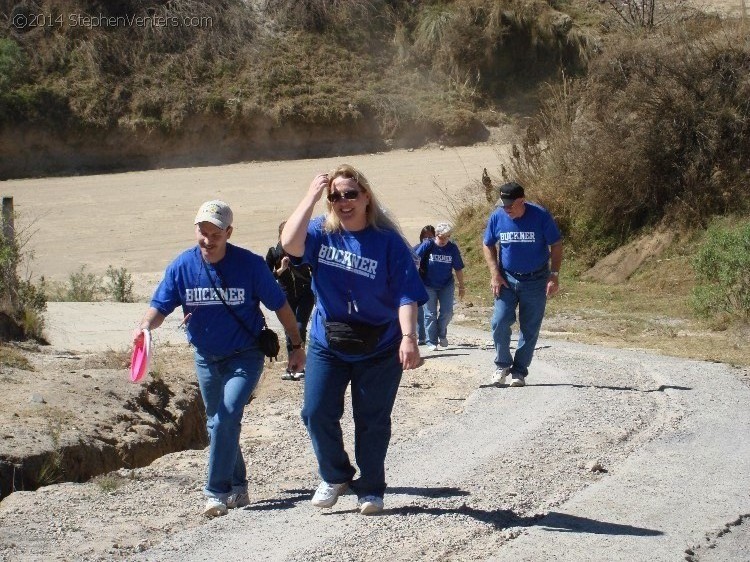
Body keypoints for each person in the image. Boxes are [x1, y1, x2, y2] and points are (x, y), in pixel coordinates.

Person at [132, 200, 306, 518]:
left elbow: (281, 307)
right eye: (203, 232)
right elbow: (160, 305)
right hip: (205, 357)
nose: (208, 240)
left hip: (246, 355)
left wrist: (296, 345)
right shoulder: (182, 266)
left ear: (229, 232)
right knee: (217, 424)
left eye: (215, 234)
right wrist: (145, 326)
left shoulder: (250, 265)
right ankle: (238, 486)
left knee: (225, 416)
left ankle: (215, 492)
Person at [281, 164, 427, 515]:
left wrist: (409, 337)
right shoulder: (320, 231)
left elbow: (407, 294)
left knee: (372, 420)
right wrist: (311, 196)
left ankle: (371, 488)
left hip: (379, 345)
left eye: (350, 194)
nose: (343, 201)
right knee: (315, 412)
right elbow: (288, 242)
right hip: (327, 341)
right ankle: (335, 475)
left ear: (365, 197)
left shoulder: (388, 242)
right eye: (335, 196)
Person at [482, 182, 562, 388]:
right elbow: (487, 243)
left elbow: (556, 243)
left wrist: (554, 274)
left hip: (536, 280)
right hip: (506, 279)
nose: (506, 208)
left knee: (529, 329)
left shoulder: (541, 216)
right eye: (503, 204)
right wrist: (494, 273)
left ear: (522, 201)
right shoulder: (497, 217)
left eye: (510, 205)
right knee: (499, 322)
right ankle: (502, 365)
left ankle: (519, 371)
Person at [266, 220, 315, 381]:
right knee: (289, 329)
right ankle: (292, 365)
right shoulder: (274, 253)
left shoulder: (302, 250)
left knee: (299, 326)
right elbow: (266, 279)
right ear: (280, 236)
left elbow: (316, 271)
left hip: (305, 294)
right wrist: (281, 269)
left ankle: (300, 364)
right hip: (285, 295)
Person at [415, 222, 465, 352]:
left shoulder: (452, 248)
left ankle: (441, 334)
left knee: (447, 312)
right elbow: (415, 259)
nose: (444, 240)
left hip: (446, 285)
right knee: (430, 314)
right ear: (436, 235)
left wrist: (462, 286)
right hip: (428, 284)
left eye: (447, 237)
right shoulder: (428, 245)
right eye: (441, 237)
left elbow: (458, 268)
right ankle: (431, 341)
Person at [414, 224, 435, 345]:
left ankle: (432, 336)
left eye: (430, 237)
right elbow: (412, 258)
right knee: (420, 311)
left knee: (430, 312)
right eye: (425, 237)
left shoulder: (437, 249)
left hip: (432, 283)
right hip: (418, 282)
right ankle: (421, 336)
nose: (427, 239)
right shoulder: (417, 248)